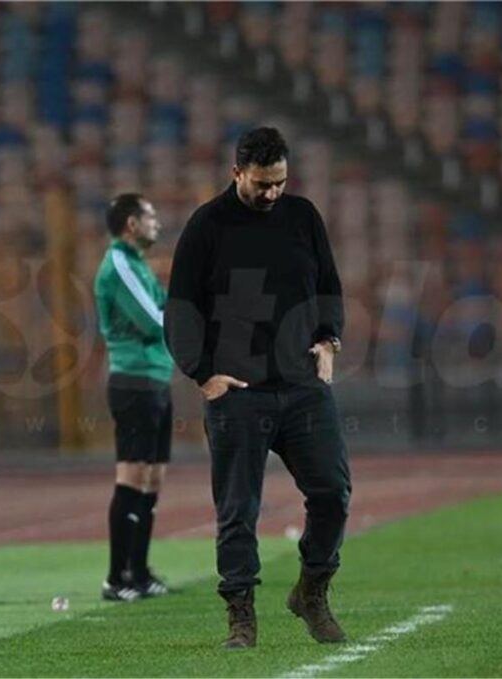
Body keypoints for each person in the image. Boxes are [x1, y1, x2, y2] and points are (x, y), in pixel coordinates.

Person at [165, 127, 350, 648]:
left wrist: (329, 341)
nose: (272, 194)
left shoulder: (303, 216)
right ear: (236, 173)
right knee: (238, 510)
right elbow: (181, 308)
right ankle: (241, 617)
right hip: (238, 393)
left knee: (332, 493)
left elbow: (328, 287)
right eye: (262, 184)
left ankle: (312, 591)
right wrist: (202, 372)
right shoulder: (207, 226)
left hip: (302, 386)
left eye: (280, 183)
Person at [94, 193, 174, 601]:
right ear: (131, 224)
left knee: (152, 477)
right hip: (134, 381)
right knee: (131, 475)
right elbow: (153, 318)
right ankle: (115, 577)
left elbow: (165, 307)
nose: (156, 222)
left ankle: (139, 572)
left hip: (155, 379)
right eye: (150, 215)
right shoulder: (119, 264)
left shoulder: (138, 264)